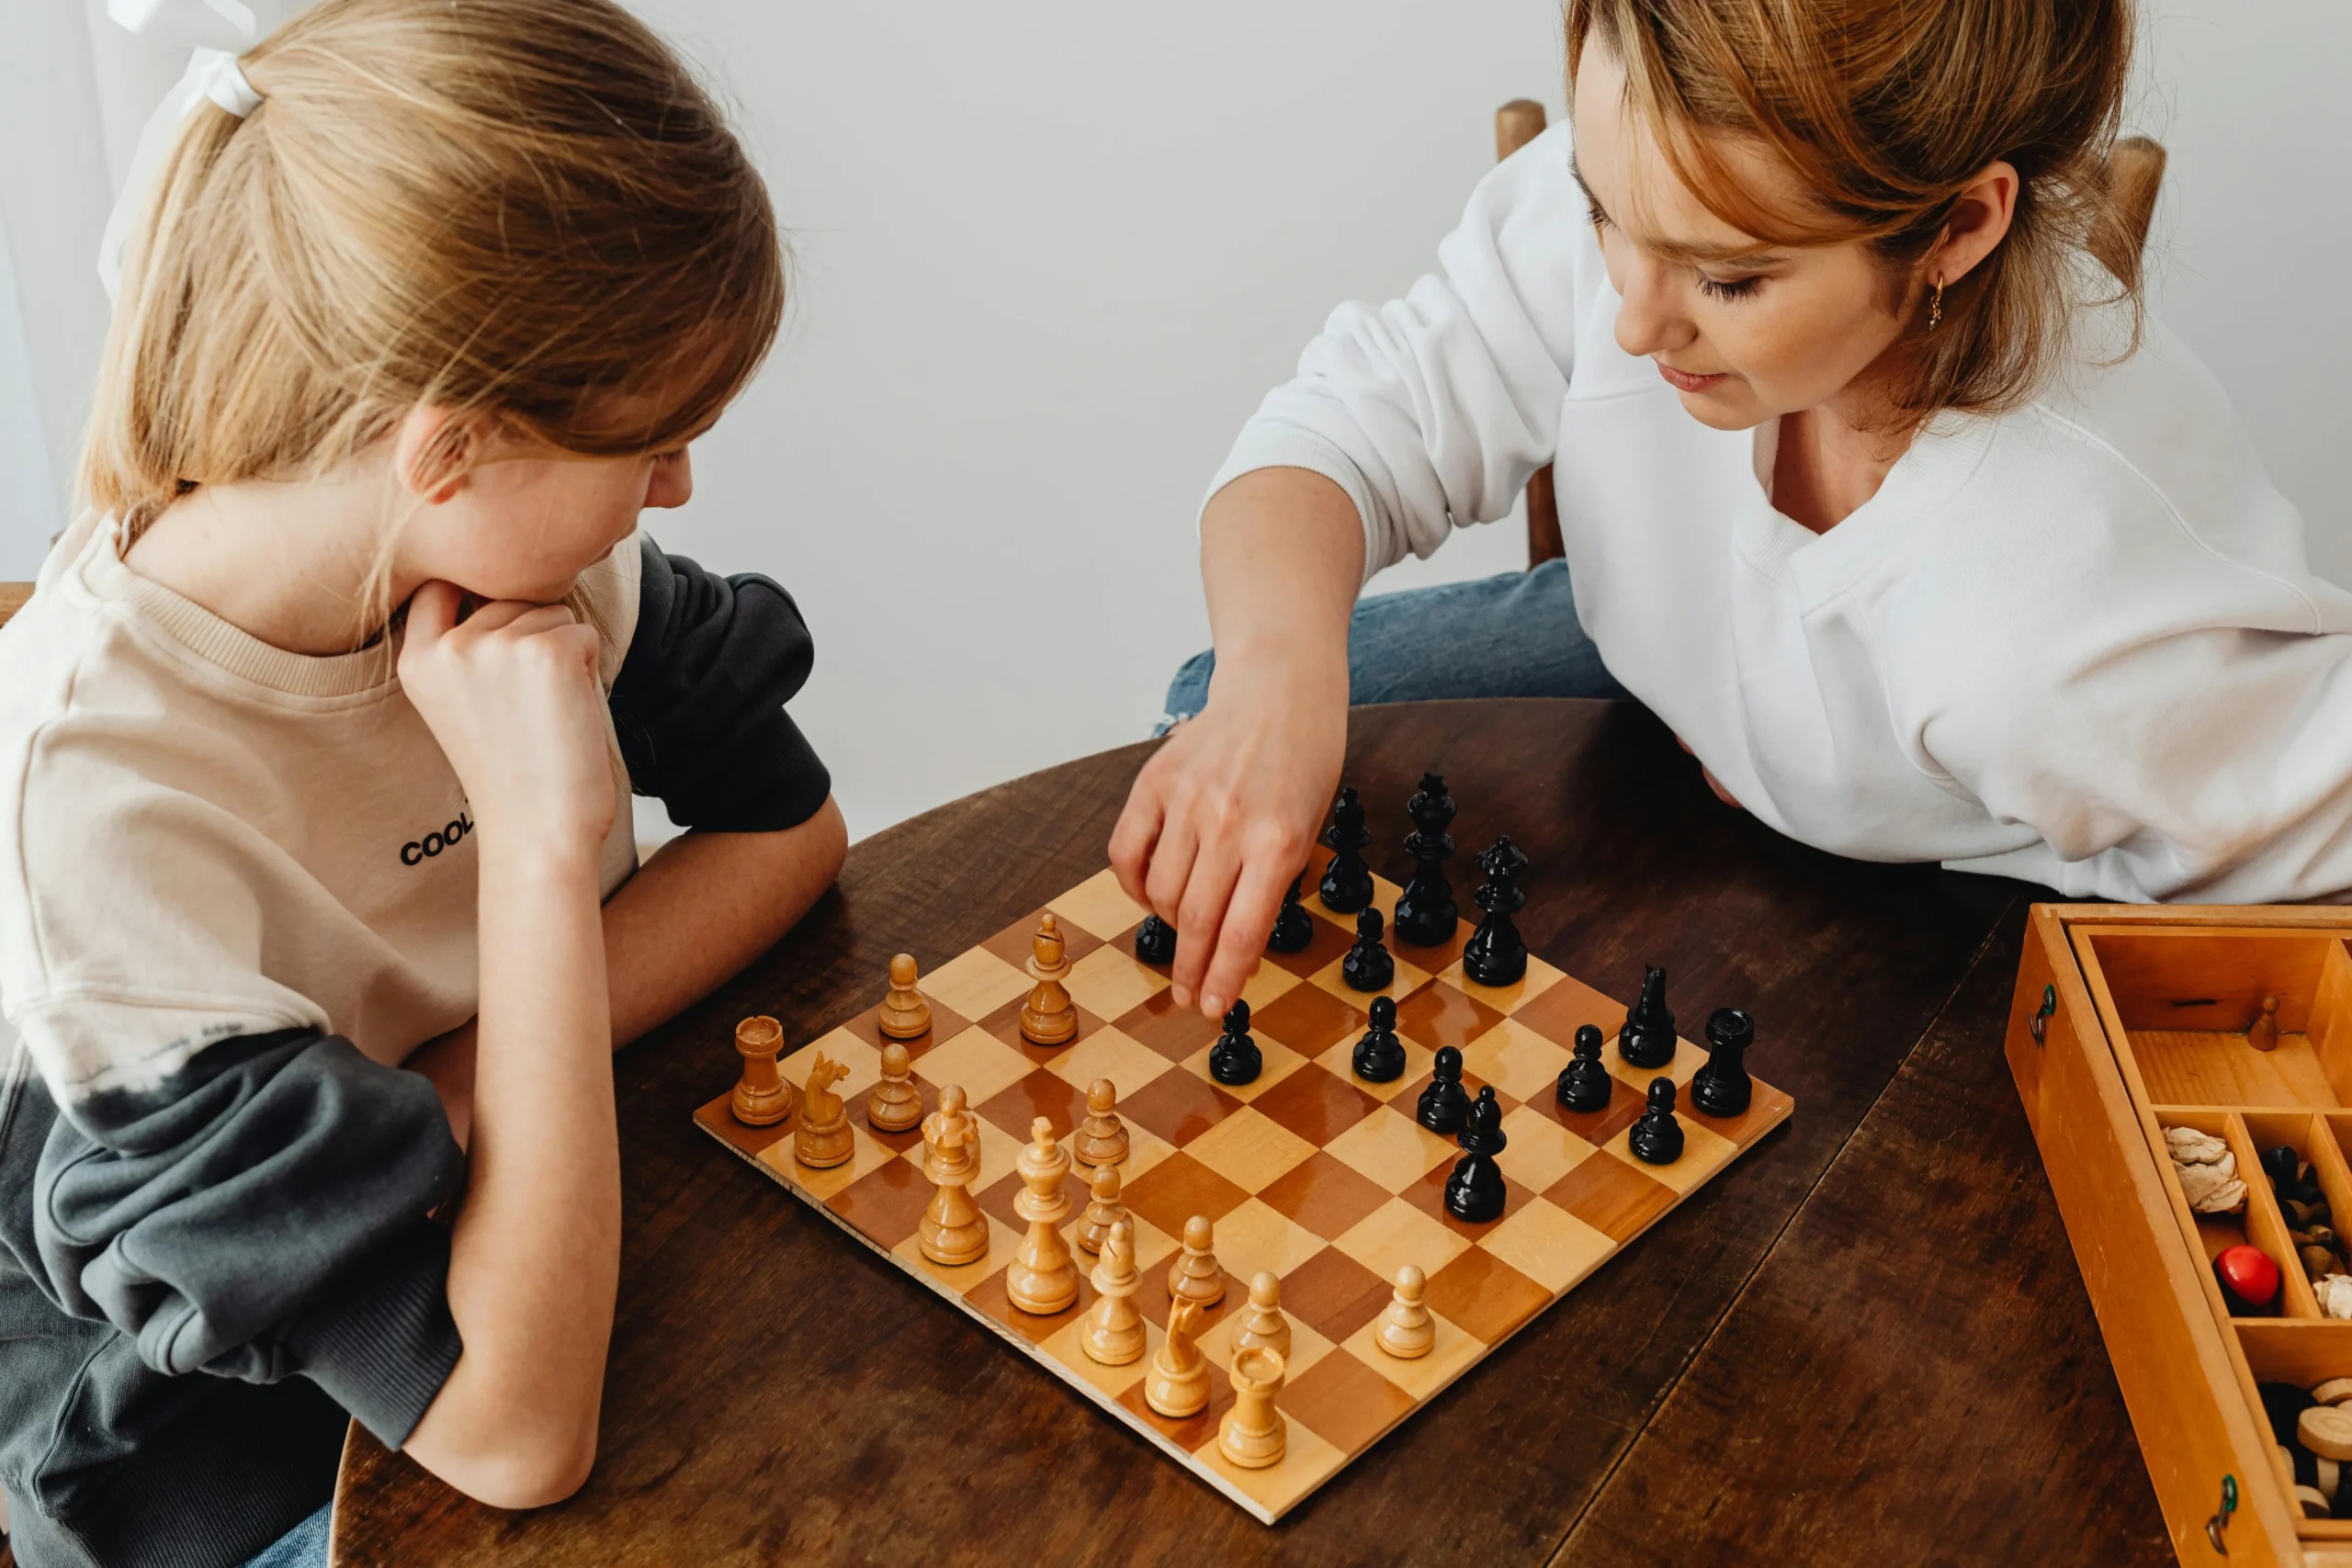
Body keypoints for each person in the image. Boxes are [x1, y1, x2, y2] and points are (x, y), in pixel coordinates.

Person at [0, 2, 847, 1563]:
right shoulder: (101, 816)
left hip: (568, 1263)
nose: (675, 489)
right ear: (450, 445)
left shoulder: (513, 558)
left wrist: (454, 1097)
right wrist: (538, 846)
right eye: (651, 437)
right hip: (250, 1471)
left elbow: (788, 832)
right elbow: (517, 1436)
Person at [1114, 0, 2352, 1021]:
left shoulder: (2054, 630)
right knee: (1209, 711)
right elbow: (1335, 431)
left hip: (1913, 848)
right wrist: (1276, 689)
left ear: (1958, 228)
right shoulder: (1658, 173)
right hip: (1652, 658)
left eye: (1730, 275)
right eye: (1605, 210)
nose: (1635, 320)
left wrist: (1895, 819)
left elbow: (2316, 876)